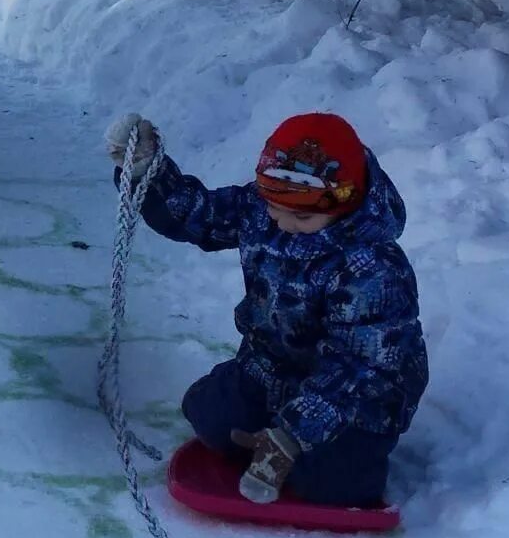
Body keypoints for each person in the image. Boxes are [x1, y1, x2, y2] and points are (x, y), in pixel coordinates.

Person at [107, 112, 428, 507]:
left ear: (345, 202)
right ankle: (271, 436)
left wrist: (295, 433)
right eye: (276, 208)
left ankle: (323, 453)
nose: (285, 223)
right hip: (275, 370)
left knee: (330, 483)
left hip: (358, 398)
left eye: (303, 216)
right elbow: (198, 215)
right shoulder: (264, 210)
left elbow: (366, 368)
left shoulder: (372, 269)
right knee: (212, 417)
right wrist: (146, 170)